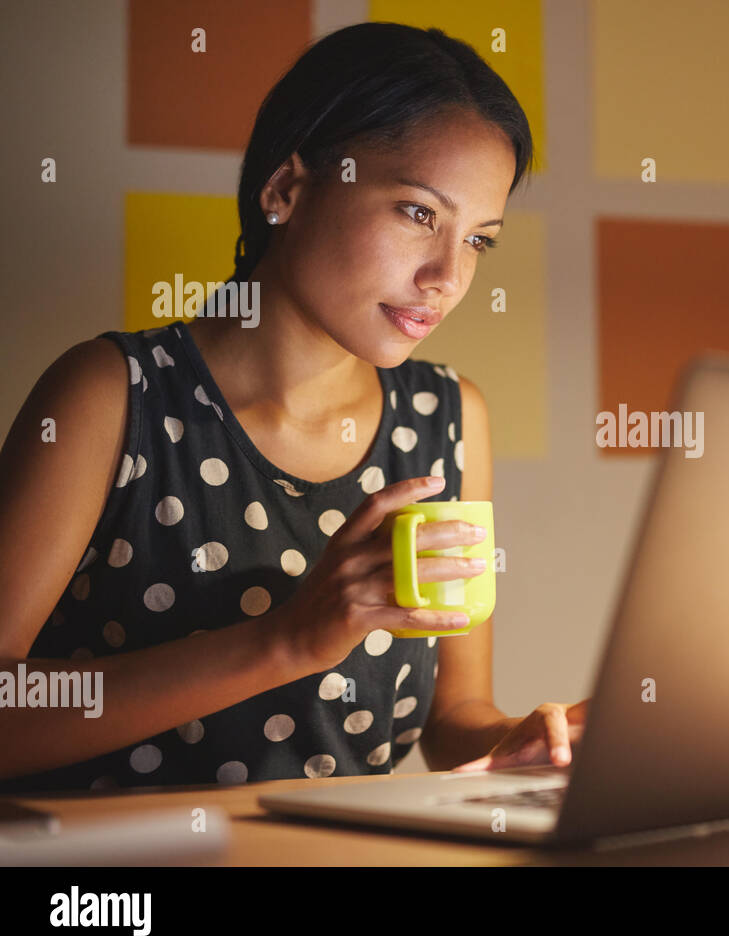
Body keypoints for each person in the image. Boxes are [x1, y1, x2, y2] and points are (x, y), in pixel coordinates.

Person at [0, 22, 585, 792]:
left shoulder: (449, 417)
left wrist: (523, 745)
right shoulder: (110, 396)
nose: (447, 275)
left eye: (480, 240)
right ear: (286, 190)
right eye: (417, 213)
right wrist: (285, 641)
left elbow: (454, 721)